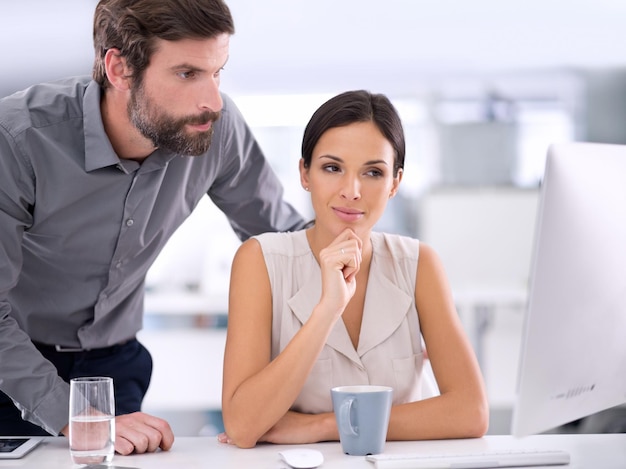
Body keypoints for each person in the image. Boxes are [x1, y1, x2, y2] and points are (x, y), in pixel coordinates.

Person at [0, 0, 305, 455]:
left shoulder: (215, 129)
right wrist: (68, 410)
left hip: (118, 365)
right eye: (187, 74)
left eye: (217, 72)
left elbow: (285, 245)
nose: (214, 100)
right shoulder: (18, 140)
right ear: (119, 68)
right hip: (14, 370)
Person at [220, 90, 489, 448]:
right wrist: (327, 309)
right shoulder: (260, 260)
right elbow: (242, 425)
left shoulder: (418, 264)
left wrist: (327, 426)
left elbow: (470, 412)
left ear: (395, 183)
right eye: (332, 168)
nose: (352, 190)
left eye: (373, 172)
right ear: (304, 172)